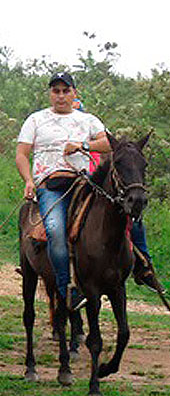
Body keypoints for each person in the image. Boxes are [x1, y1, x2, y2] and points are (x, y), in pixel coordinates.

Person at [16, 71, 113, 310]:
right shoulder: (36, 120)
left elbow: (110, 143)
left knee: (120, 213)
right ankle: (67, 289)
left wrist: (83, 145)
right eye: (56, 91)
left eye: (65, 91)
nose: (60, 96)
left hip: (82, 183)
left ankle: (133, 268)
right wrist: (28, 180)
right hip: (50, 185)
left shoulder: (87, 120)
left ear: (74, 93)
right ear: (50, 94)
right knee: (55, 230)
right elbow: (21, 154)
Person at [71, 87, 163, 293]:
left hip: (98, 182)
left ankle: (143, 265)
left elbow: (105, 152)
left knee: (134, 216)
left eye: (79, 108)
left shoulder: (92, 131)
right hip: (75, 179)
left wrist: (84, 146)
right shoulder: (56, 128)